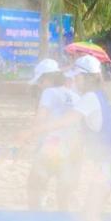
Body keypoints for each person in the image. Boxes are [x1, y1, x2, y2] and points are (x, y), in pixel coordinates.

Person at [61, 54, 111, 221]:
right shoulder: (99, 95)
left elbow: (65, 122)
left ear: (87, 78)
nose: (74, 81)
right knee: (89, 210)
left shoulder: (90, 98)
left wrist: (32, 132)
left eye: (77, 77)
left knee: (91, 213)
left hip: (110, 164)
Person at [24, 58, 80, 210]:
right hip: (71, 148)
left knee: (35, 186)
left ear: (47, 79)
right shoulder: (74, 96)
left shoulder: (49, 92)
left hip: (52, 145)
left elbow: (40, 118)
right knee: (64, 194)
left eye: (40, 82)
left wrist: (31, 133)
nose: (39, 86)